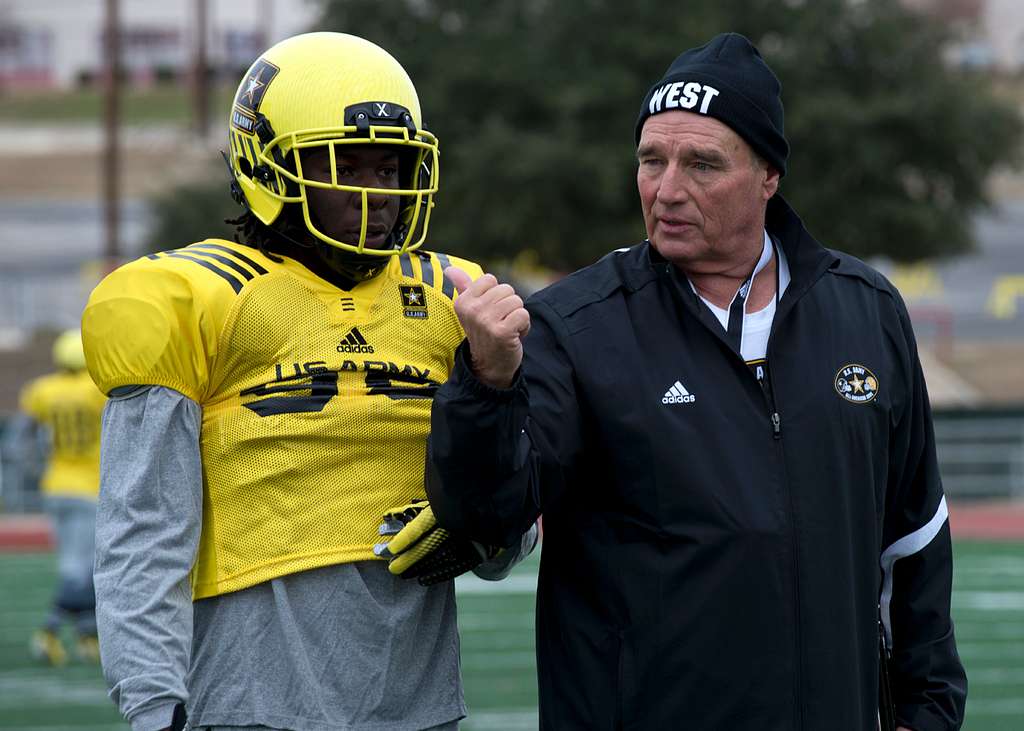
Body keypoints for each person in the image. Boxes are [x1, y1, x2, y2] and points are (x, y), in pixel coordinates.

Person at [427, 32, 967, 730]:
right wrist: (487, 386)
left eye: (702, 164)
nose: (668, 189)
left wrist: (926, 714)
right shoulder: (573, 326)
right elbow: (485, 520)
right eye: (652, 160)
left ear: (768, 174)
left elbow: (915, 538)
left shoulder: (866, 311)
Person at [82, 32, 536, 731]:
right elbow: (145, 529)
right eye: (346, 166)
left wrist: (484, 519)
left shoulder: (453, 297)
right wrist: (152, 703)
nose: (377, 194)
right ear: (270, 166)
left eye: (390, 168)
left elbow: (512, 539)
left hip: (417, 700)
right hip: (246, 698)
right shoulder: (194, 298)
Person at [19, 329, 106, 666]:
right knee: (80, 569)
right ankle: (48, 632)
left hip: (55, 485)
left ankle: (87, 638)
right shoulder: (96, 390)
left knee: (76, 565)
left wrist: (30, 464)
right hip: (89, 487)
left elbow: (24, 435)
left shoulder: (43, 390)